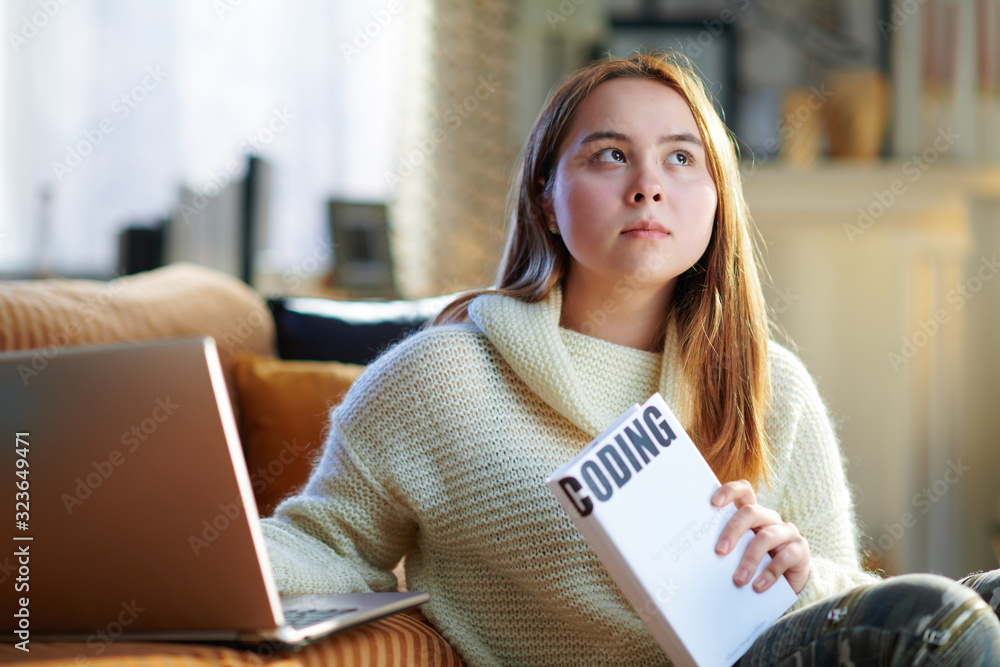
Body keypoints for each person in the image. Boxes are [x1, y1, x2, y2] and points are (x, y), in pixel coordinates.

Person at [261, 51, 1000, 665]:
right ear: (547, 198)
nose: (647, 184)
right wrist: (173, 552)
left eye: (681, 158)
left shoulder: (772, 386)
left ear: (715, 201)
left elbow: (847, 593)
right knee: (938, 616)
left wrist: (799, 567)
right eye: (610, 155)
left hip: (777, 647)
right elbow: (323, 546)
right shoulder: (440, 379)